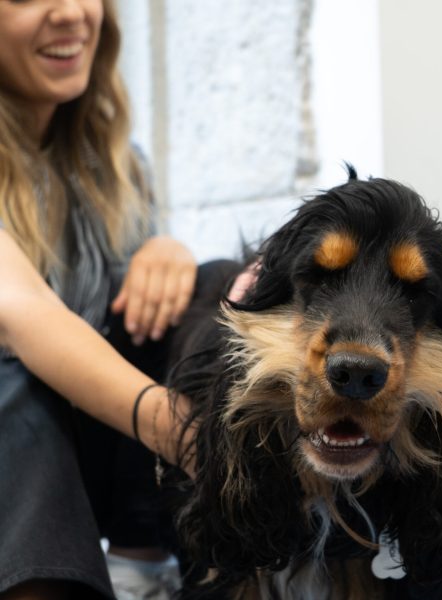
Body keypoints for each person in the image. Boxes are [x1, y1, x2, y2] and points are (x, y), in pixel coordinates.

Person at [0, 1, 198, 598]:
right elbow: (24, 314)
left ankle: (142, 569)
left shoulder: (115, 162)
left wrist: (169, 254)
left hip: (78, 475)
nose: (70, 13)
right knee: (20, 380)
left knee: (205, 289)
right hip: (15, 460)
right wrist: (186, 435)